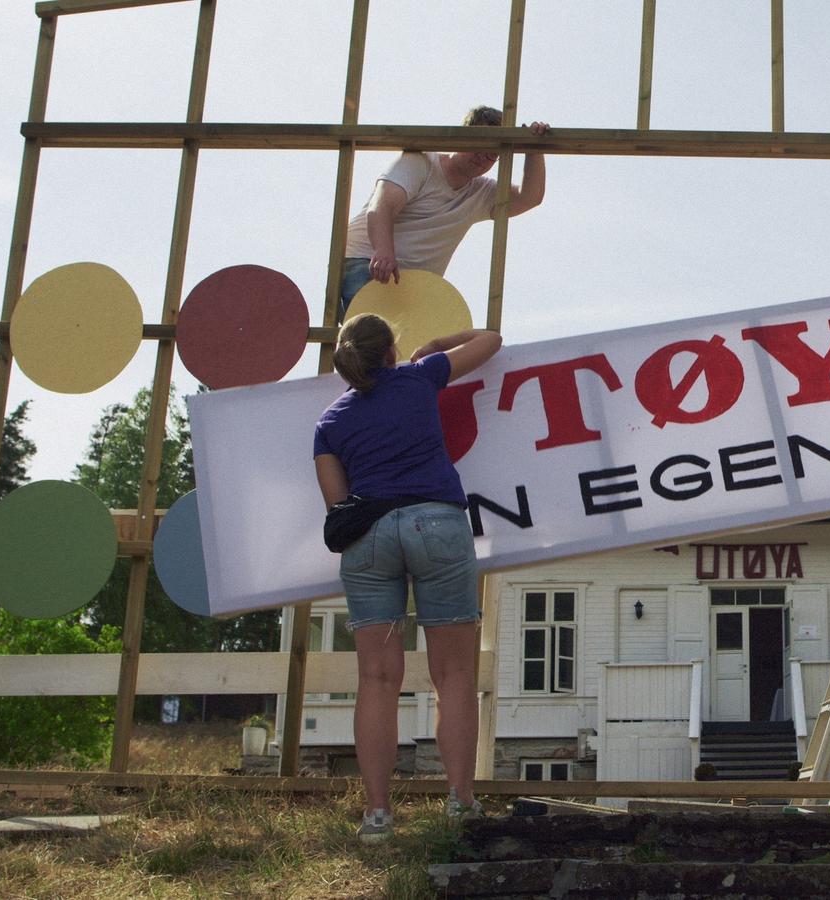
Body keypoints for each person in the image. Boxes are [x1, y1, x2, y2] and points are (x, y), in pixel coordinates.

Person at [313, 314, 502, 843]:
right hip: (436, 523)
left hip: (369, 539)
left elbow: (337, 506)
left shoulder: (329, 423)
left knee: (377, 679)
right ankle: (460, 802)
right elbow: (491, 340)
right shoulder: (420, 377)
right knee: (453, 675)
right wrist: (435, 342)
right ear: (391, 351)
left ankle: (377, 814)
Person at [338, 106, 552, 315]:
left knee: (420, 338)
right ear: (463, 135)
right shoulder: (420, 162)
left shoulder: (480, 192)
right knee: (374, 332)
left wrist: (533, 149)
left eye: (492, 154)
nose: (483, 156)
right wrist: (383, 251)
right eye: (480, 145)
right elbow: (382, 206)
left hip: (411, 284)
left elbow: (529, 197)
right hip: (366, 262)